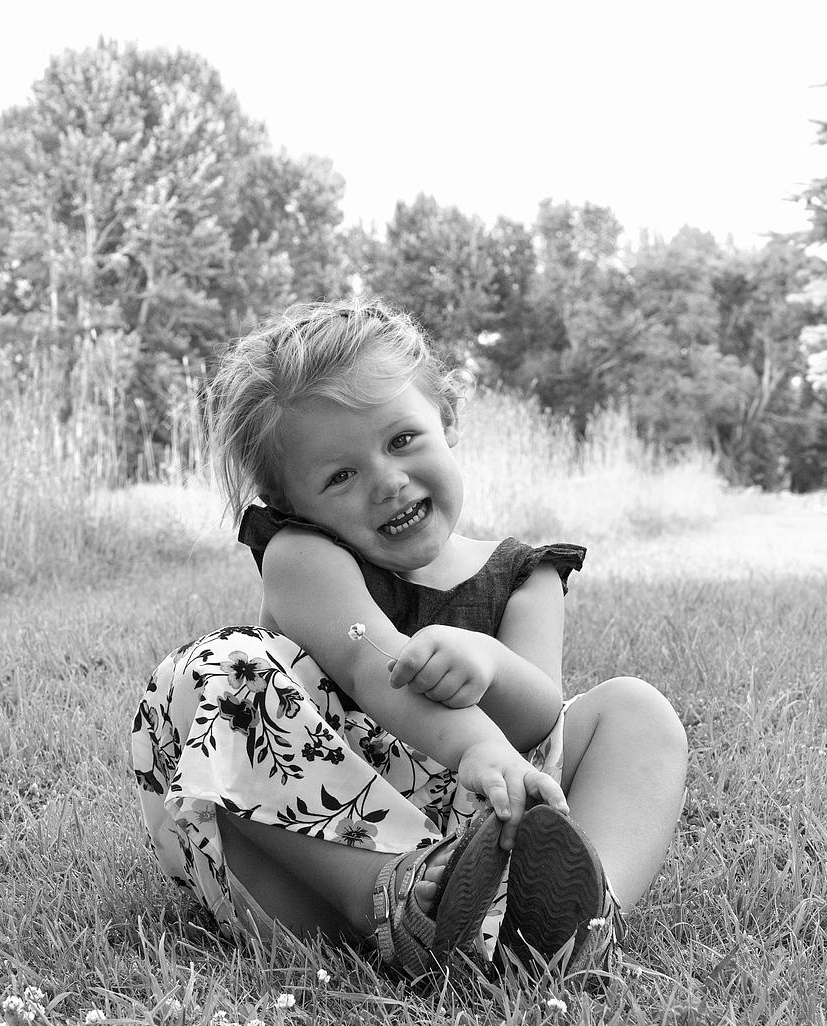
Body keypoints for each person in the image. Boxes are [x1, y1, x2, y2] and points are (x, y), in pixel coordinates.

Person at [131, 300, 688, 979]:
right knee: (218, 668)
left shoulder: (525, 577)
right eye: (340, 476)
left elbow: (539, 719)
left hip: (490, 827)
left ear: (446, 419)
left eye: (401, 440)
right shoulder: (304, 558)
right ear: (291, 505)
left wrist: (491, 664)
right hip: (322, 861)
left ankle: (577, 926)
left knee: (635, 710)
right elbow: (370, 666)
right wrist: (474, 744)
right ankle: (388, 900)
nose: (387, 483)